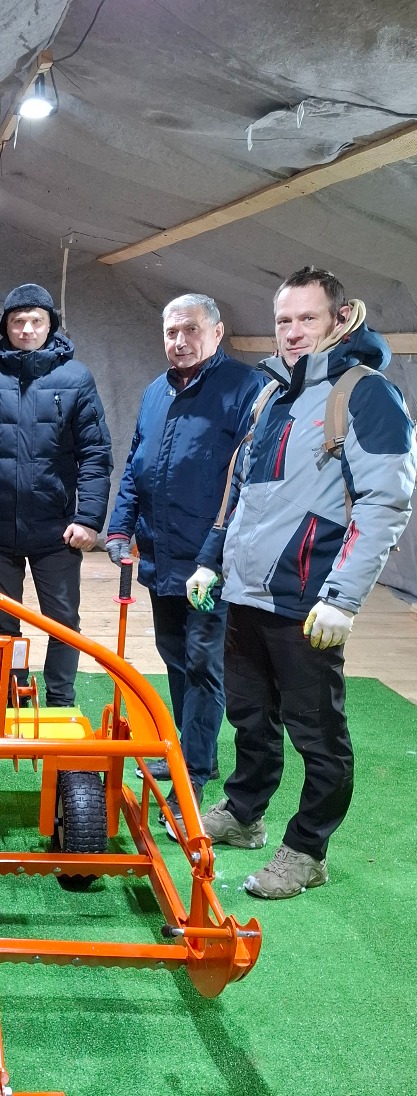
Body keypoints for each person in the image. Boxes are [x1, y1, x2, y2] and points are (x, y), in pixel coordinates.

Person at [189, 266, 416, 898]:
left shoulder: (364, 395)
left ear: (341, 320)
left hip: (307, 598)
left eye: (306, 319)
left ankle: (308, 848)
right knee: (250, 715)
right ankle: (243, 813)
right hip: (247, 591)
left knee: (318, 733)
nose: (292, 332)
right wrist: (213, 557)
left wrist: (342, 598)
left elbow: (384, 504)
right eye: (284, 320)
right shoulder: (271, 395)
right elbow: (240, 490)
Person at [105, 294, 268, 829]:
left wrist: (215, 554)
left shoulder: (245, 389)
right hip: (161, 555)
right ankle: (185, 751)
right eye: (171, 331)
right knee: (174, 655)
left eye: (191, 330)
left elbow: (246, 478)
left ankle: (193, 772)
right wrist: (121, 526)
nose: (180, 341)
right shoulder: (156, 391)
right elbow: (137, 465)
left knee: (203, 662)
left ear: (217, 333)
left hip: (209, 561)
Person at [0, 284, 112, 708]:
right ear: (5, 327)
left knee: (63, 621)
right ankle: (11, 696)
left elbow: (96, 453)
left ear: (51, 325)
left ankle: (61, 699)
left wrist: (89, 519)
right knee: (3, 620)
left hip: (57, 530)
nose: (27, 330)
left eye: (36, 321)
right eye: (18, 321)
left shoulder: (75, 378)